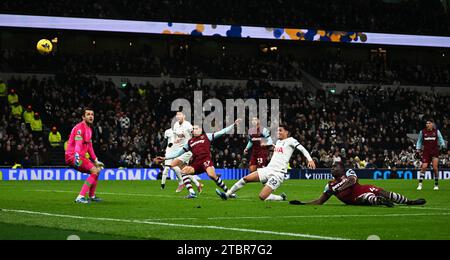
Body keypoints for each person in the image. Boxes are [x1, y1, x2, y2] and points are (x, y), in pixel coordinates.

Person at [217, 125, 316, 202]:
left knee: (262, 196)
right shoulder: (278, 142)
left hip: (278, 174)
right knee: (246, 178)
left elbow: (302, 149)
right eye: (277, 130)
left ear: (286, 132)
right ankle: (227, 194)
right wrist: (266, 143)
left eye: (280, 130)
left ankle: (281, 198)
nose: (278, 132)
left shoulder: (291, 141)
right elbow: (272, 144)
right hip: (268, 169)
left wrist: (310, 160)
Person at [157, 119, 242, 199]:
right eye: (193, 129)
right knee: (183, 171)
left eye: (196, 128)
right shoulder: (190, 142)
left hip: (205, 160)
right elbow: (178, 153)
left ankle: (229, 192)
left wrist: (233, 125)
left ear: (201, 129)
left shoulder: (206, 136)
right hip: (196, 163)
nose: (194, 130)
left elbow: (222, 132)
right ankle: (192, 193)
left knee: (212, 175)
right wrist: (165, 158)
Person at [295, 163, 426, 207]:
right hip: (354, 199)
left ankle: (410, 202)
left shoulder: (348, 172)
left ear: (341, 168)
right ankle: (380, 202)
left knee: (385, 192)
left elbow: (352, 181)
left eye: (335, 166)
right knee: (367, 197)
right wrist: (303, 203)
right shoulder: (328, 186)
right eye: (331, 167)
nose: (332, 168)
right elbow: (320, 201)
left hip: (362, 188)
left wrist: (338, 188)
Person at [65, 108, 104, 204]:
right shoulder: (79, 128)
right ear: (83, 117)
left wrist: (96, 160)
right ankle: (80, 197)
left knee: (97, 171)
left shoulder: (89, 129)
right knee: (94, 171)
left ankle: (92, 196)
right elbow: (78, 143)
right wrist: (77, 156)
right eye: (88, 114)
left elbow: (90, 146)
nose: (91, 116)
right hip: (73, 156)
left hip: (80, 156)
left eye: (92, 114)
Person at [169, 112, 203, 193]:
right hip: (179, 149)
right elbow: (175, 135)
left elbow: (195, 133)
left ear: (184, 116)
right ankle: (198, 184)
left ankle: (182, 183)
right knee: (184, 169)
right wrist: (175, 140)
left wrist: (195, 145)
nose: (178, 116)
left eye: (180, 115)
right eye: (177, 115)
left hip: (187, 149)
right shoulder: (176, 125)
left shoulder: (188, 125)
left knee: (173, 165)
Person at [416, 119, 447, 191]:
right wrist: (418, 150)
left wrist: (442, 146)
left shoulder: (437, 131)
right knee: (423, 167)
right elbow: (419, 141)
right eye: (426, 123)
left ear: (432, 124)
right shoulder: (422, 132)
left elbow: (441, 140)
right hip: (426, 152)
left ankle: (436, 184)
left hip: (434, 152)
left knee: (435, 168)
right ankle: (420, 184)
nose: (427, 124)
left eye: (429, 123)